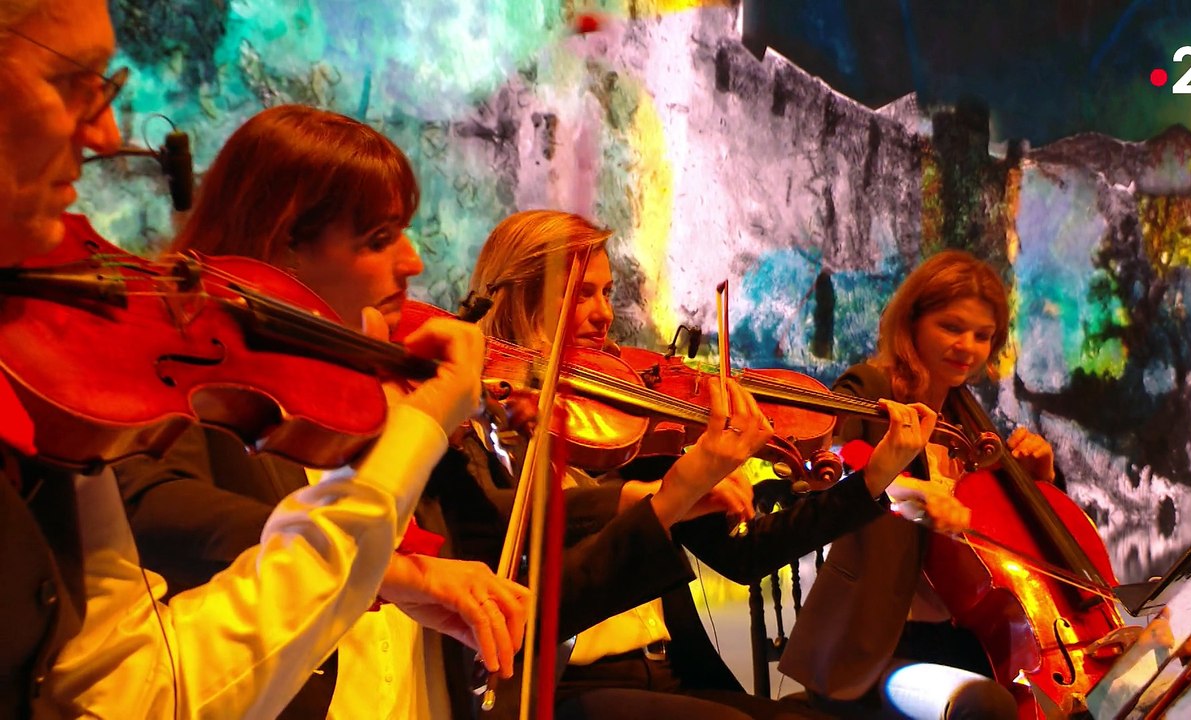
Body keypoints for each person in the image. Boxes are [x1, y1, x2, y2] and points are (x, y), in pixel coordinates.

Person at [116, 104, 764, 719]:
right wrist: (389, 570)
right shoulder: (199, 387)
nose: (414, 262)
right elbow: (151, 505)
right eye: (379, 238)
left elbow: (487, 541)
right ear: (285, 244)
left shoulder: (386, 393)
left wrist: (638, 497)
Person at [0, 3, 495, 718]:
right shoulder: (155, 394)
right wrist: (390, 499)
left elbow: (128, 670)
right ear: (283, 240)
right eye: (69, 81)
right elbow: (140, 684)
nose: (108, 134)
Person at [464, 209, 970, 720]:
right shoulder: (482, 425)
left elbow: (746, 555)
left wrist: (872, 480)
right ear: (522, 295)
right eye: (580, 294)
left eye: (607, 293)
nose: (603, 314)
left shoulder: (631, 419)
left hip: (665, 673)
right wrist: (645, 499)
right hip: (559, 685)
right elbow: (508, 522)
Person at [779, 250, 1048, 719]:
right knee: (985, 707)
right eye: (952, 327)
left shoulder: (970, 422)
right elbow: (837, 466)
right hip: (876, 646)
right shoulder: (870, 387)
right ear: (913, 322)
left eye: (983, 336)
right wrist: (913, 497)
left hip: (965, 642)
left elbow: (997, 540)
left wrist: (1041, 482)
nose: (967, 346)